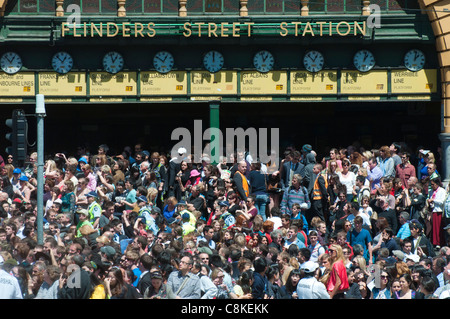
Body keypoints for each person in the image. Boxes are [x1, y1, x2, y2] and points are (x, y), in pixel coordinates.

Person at [427, 177, 447, 248]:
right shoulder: (432, 191)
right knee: (434, 227)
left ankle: (439, 242)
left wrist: (433, 200)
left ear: (437, 184)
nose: (432, 186)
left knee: (438, 228)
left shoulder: (442, 191)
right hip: (433, 210)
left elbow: (442, 202)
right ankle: (435, 242)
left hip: (439, 211)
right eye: (431, 185)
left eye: (433, 184)